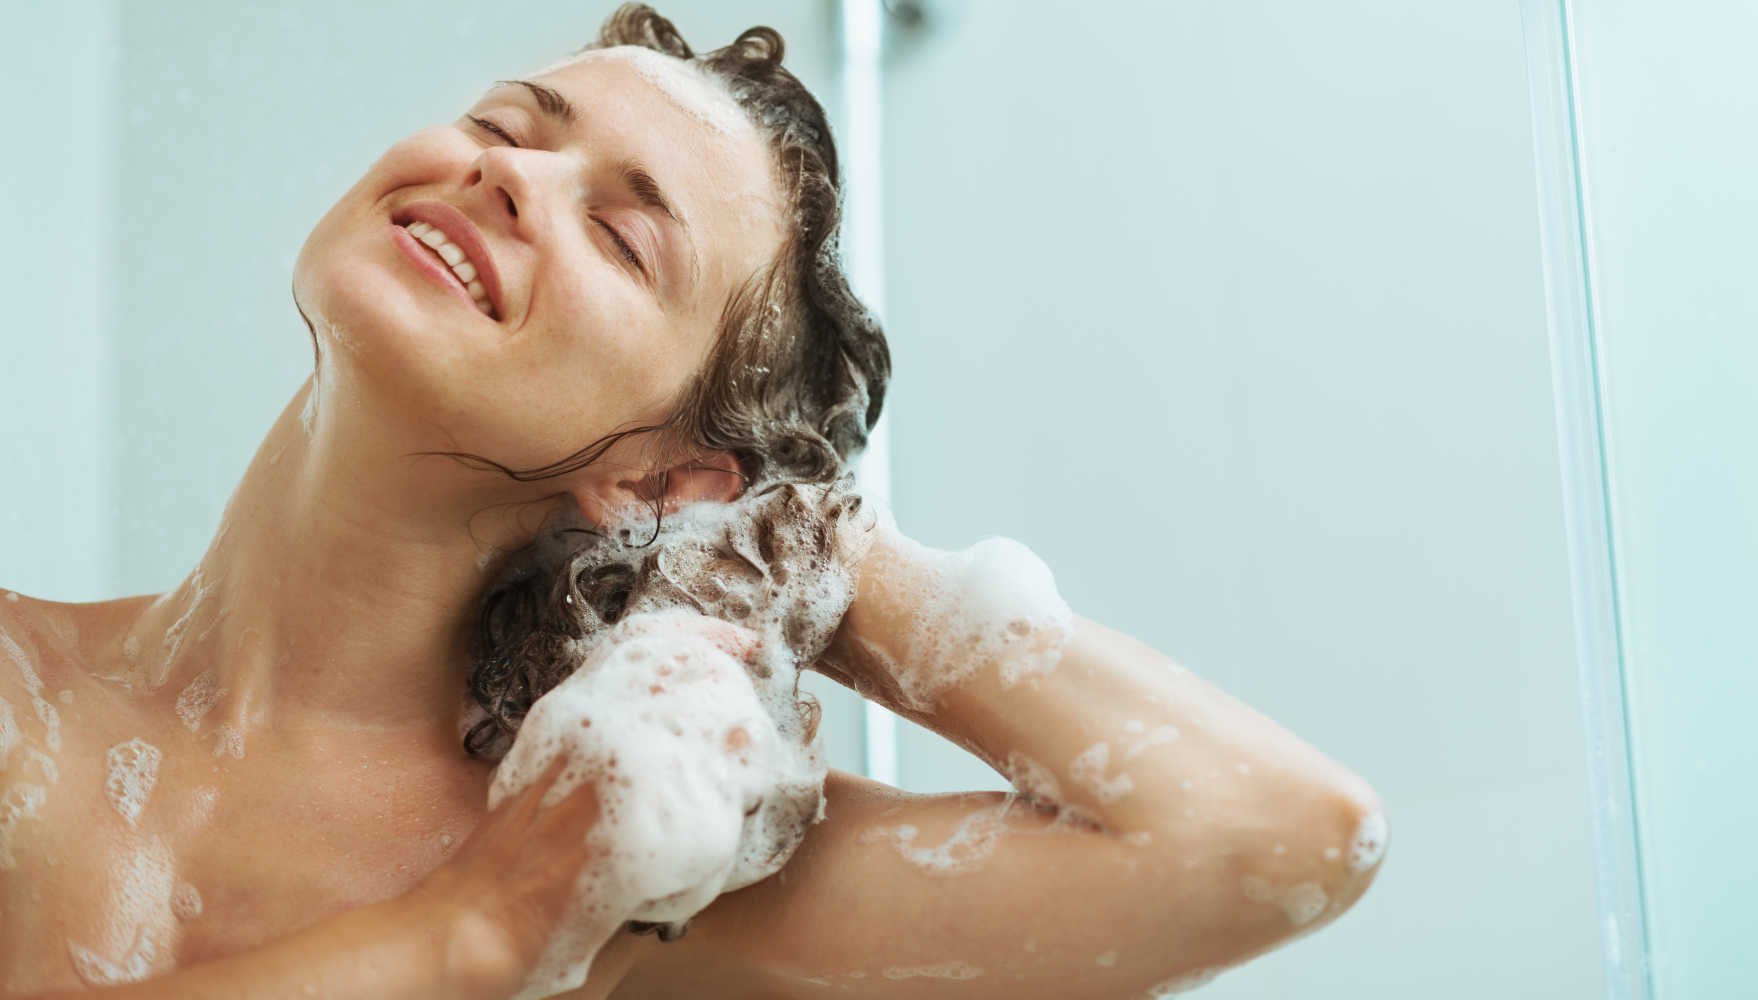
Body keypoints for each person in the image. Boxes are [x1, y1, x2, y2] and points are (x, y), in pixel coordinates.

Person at [0, 5, 1386, 997]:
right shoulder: (23, 684)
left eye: (619, 230)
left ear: (661, 475)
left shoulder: (622, 864)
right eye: (504, 126)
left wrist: (814, 548)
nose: (510, 174)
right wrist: (478, 933)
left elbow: (1275, 837)